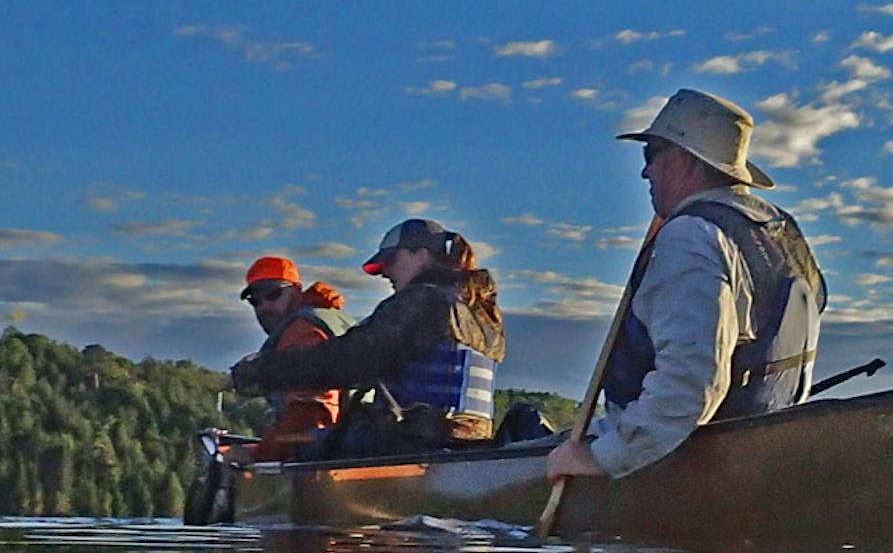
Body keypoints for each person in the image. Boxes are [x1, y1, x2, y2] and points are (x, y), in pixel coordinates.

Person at [546, 88, 826, 483]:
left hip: (680, 466)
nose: (645, 172)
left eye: (652, 154)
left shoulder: (692, 236)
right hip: (759, 454)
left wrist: (598, 460)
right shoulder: (780, 235)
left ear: (684, 159)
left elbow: (689, 386)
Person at [230, 219, 505, 453]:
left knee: (302, 448)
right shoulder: (482, 312)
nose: (384, 272)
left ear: (420, 254)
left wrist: (261, 372)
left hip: (414, 445)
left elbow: (350, 360)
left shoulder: (423, 300)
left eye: (390, 261)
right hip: (468, 444)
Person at [233, 256, 355, 464]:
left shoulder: (301, 331)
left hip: (329, 469)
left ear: (296, 290)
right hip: (355, 454)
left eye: (273, 294)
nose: (263, 306)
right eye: (255, 300)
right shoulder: (333, 319)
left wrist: (258, 455)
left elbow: (310, 416)